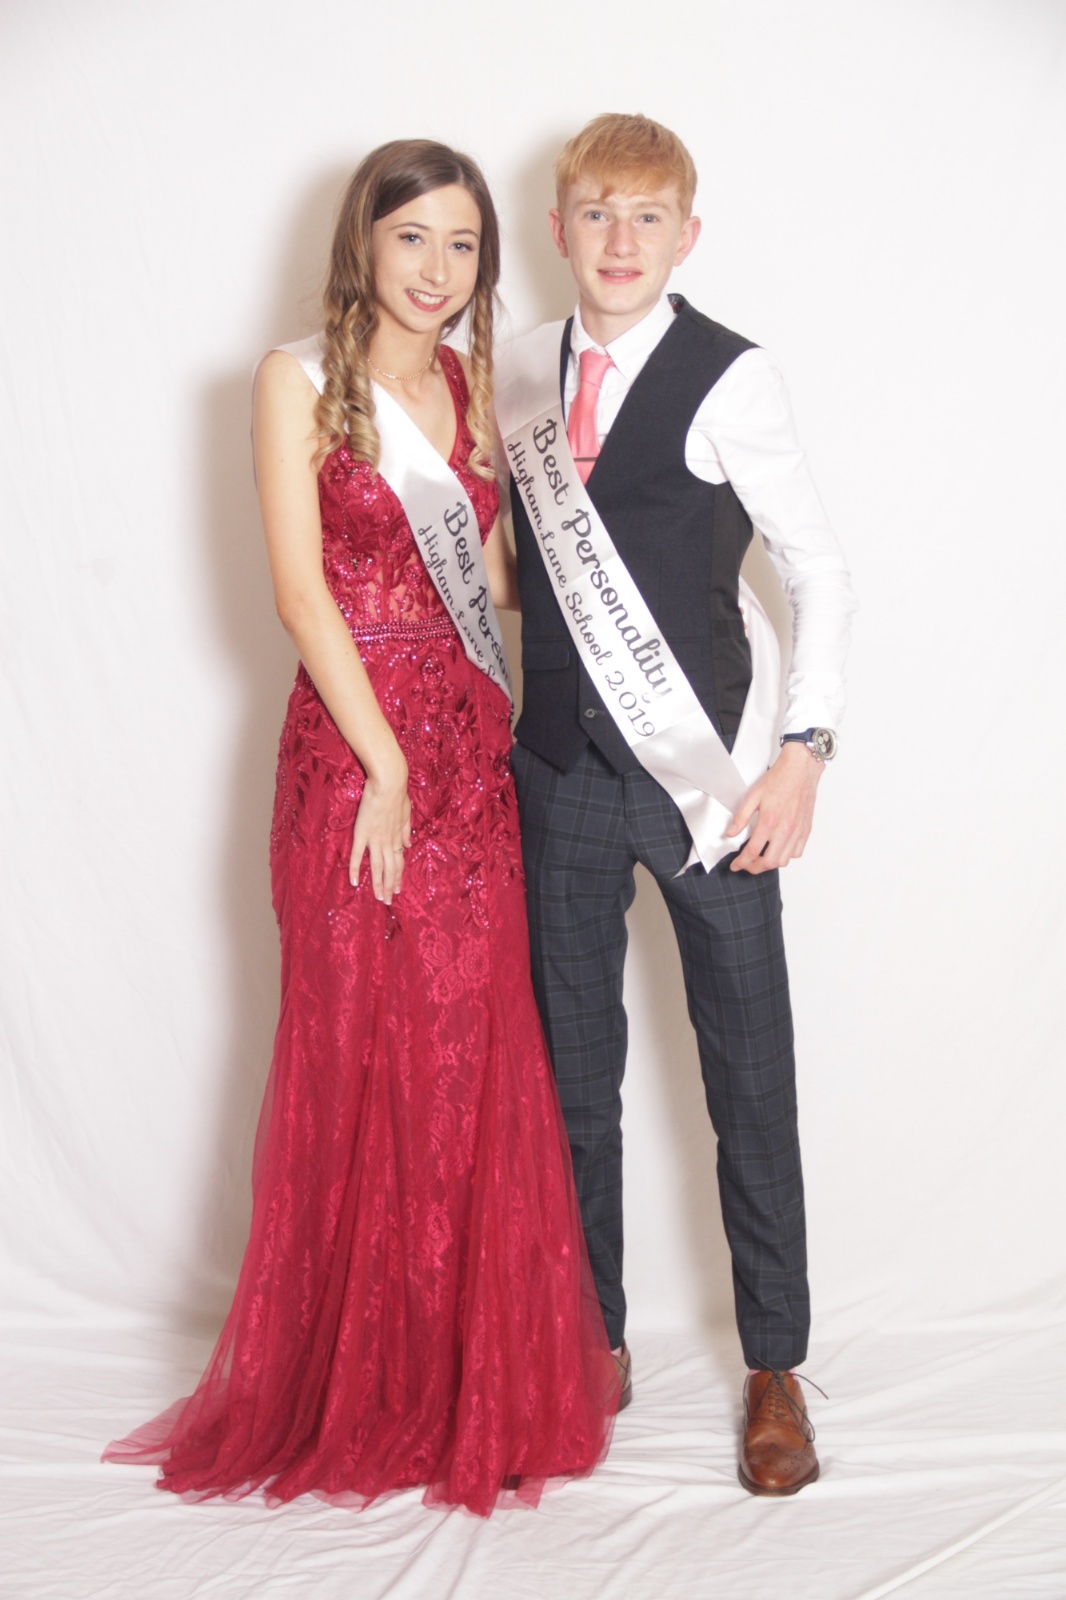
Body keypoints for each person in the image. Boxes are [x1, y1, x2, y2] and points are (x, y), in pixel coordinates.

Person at [104, 140, 618, 1516]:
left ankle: (463, 1388)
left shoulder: (472, 386)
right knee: (357, 1043)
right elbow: (298, 591)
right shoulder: (292, 379)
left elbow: (492, 579)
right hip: (353, 756)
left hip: (470, 756)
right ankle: (360, 1389)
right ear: (364, 243)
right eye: (413, 238)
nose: (437, 269)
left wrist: (602, 539)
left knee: (465, 1056)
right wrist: (384, 764)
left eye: (463, 245)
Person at [494, 113, 857, 1496]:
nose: (621, 240)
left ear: (686, 235)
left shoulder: (730, 374)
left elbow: (819, 571)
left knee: (748, 1080)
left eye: (648, 217)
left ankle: (774, 1366)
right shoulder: (519, 367)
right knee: (571, 1084)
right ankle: (592, 1340)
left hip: (712, 791)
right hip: (559, 778)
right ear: (559, 229)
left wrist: (802, 751)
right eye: (597, 212)